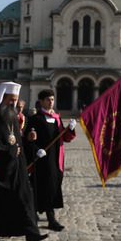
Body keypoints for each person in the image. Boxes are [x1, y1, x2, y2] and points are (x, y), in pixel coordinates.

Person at [0, 82, 48, 241]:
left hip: (17, 167)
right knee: (1, 201)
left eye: (15, 100)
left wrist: (27, 140)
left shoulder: (11, 116)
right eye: (11, 100)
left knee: (25, 197)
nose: (14, 104)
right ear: (3, 98)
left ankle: (31, 232)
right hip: (1, 169)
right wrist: (10, 151)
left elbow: (15, 140)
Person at [24, 89, 77, 232]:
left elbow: (65, 138)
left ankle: (50, 218)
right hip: (42, 160)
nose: (51, 102)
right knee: (41, 188)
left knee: (53, 187)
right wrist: (36, 150)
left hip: (56, 159)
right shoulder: (35, 119)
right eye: (48, 99)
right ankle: (42, 217)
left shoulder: (57, 118)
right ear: (41, 101)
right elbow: (27, 140)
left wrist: (70, 129)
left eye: (52, 99)